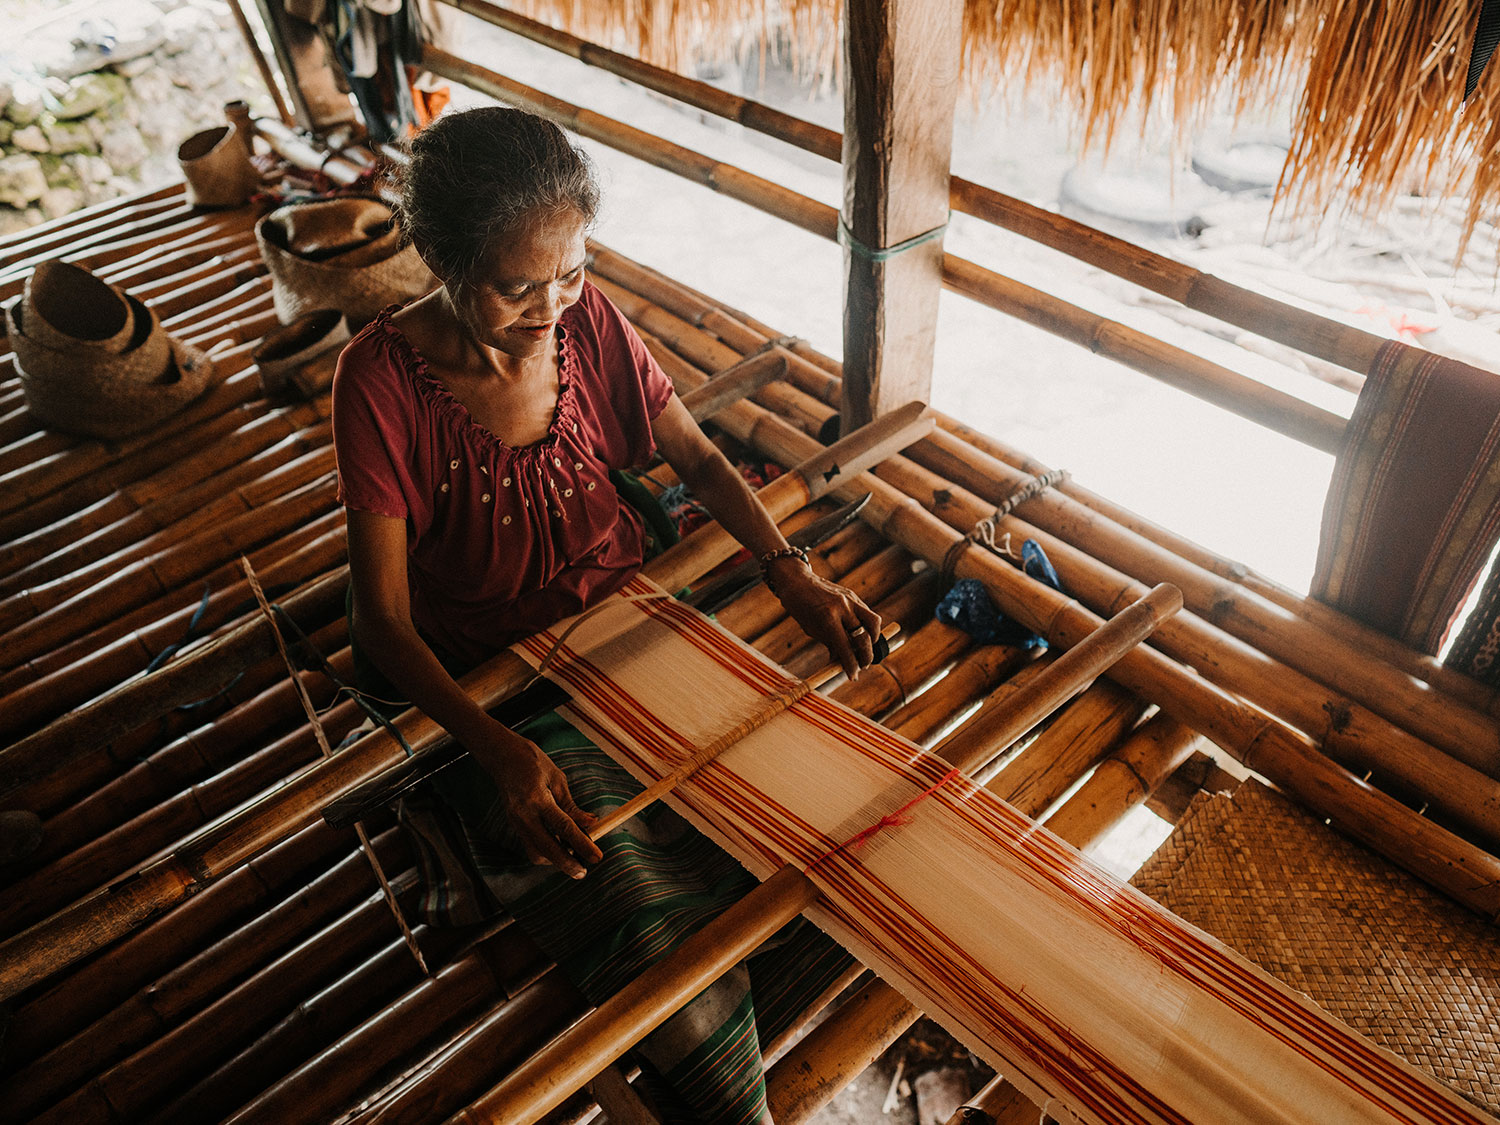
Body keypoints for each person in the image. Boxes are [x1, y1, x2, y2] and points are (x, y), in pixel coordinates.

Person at [331, 106, 882, 1124]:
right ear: (443, 259)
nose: (552, 309)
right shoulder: (379, 383)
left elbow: (703, 461)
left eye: (571, 273)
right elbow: (382, 626)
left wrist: (790, 571)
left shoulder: (587, 324)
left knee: (818, 824)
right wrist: (493, 747)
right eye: (517, 286)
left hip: (628, 626)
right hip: (500, 676)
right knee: (625, 886)